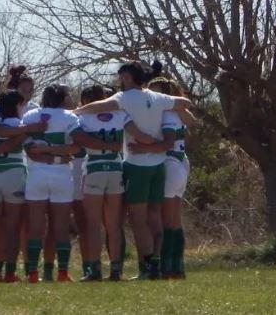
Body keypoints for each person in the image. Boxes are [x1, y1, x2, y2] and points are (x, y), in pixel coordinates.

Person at [74, 61, 194, 280]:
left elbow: (98, 107)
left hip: (137, 164)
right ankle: (157, 264)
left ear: (128, 77)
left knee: (138, 220)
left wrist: (76, 111)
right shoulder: (157, 98)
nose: (120, 82)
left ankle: (146, 268)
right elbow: (184, 102)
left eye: (121, 78)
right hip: (159, 165)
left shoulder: (124, 98)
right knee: (155, 216)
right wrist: (171, 107)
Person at [0, 90, 46, 282]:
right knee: (12, 227)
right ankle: (9, 272)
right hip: (14, 174)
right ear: (17, 105)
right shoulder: (20, 126)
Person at [22, 84, 81, 283]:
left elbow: (30, 150)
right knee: (61, 227)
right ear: (63, 98)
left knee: (36, 227)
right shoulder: (70, 117)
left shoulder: (30, 116)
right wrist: (59, 153)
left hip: (36, 175)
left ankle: (33, 273)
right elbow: (76, 146)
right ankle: (62, 273)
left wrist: (45, 152)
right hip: (61, 174)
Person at [71, 84, 128, 281]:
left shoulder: (83, 117)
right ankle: (115, 270)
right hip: (114, 167)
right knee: (113, 226)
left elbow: (76, 141)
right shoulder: (120, 115)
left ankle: (94, 270)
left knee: (93, 225)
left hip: (94, 168)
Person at [148, 76, 195, 279]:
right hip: (180, 162)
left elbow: (167, 140)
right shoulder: (176, 111)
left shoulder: (166, 113)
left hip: (171, 163)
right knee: (175, 220)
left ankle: (168, 267)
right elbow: (193, 122)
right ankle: (178, 266)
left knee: (167, 220)